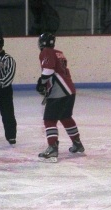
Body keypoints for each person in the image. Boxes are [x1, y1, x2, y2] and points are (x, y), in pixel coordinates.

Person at [36, 33, 85, 163]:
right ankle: (77, 143)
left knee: (49, 119)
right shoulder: (59, 53)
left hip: (60, 91)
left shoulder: (46, 51)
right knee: (65, 117)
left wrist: (41, 82)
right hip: (70, 89)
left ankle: (52, 147)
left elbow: (48, 71)